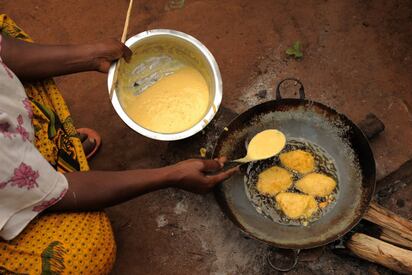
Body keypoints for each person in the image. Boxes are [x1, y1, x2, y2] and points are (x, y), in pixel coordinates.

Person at [0, 15, 237, 274]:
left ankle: (37, 153)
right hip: (8, 177)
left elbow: (6, 51)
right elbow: (61, 194)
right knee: (86, 253)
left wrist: (88, 56)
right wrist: (171, 175)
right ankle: (31, 172)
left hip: (9, 151)